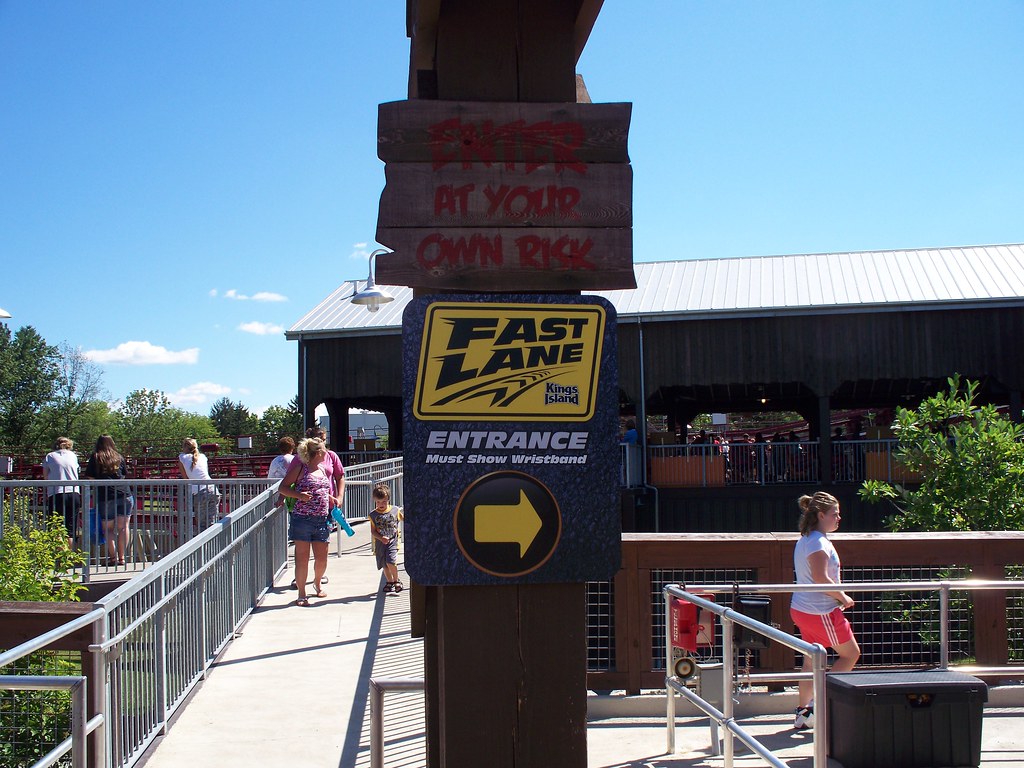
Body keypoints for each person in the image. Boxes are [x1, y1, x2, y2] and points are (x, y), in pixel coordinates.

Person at [790, 491, 860, 730]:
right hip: (821, 611)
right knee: (850, 654)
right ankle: (822, 706)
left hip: (803, 609)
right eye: (835, 514)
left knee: (811, 661)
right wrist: (842, 596)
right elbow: (820, 578)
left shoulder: (805, 539)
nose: (838, 518)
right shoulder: (818, 542)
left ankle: (803, 712)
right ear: (821, 515)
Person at [277, 437, 340, 605]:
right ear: (317, 453)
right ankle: (302, 593)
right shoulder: (300, 469)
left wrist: (331, 497)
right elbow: (282, 487)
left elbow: (321, 489)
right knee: (302, 558)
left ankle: (317, 583)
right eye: (323, 448)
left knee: (322, 558)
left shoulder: (322, 469)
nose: (326, 451)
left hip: (322, 519)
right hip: (302, 519)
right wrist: (299, 496)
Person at [84, 435, 132, 566]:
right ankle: (122, 558)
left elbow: (89, 477)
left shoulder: (95, 457)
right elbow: (124, 473)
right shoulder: (119, 457)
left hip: (105, 496)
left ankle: (113, 558)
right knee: (124, 527)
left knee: (108, 529)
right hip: (124, 493)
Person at [42, 436, 81, 548]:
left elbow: (45, 476)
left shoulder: (50, 456)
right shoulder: (73, 456)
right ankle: (69, 557)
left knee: (56, 526)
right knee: (70, 527)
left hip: (57, 492)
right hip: (74, 492)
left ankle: (60, 556)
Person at [178, 438, 222, 530]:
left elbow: (186, 478)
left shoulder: (182, 458)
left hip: (200, 492)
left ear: (185, 447)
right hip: (213, 489)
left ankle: (204, 544)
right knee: (212, 523)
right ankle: (213, 543)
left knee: (201, 525)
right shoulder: (203, 457)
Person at [368, 483, 402, 595]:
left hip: (392, 540)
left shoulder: (395, 510)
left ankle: (396, 580)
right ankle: (389, 581)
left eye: (384, 501)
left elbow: (403, 519)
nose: (381, 504)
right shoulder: (373, 515)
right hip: (380, 543)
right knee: (384, 564)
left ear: (388, 499)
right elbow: (373, 531)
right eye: (378, 502)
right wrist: (380, 538)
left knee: (391, 561)